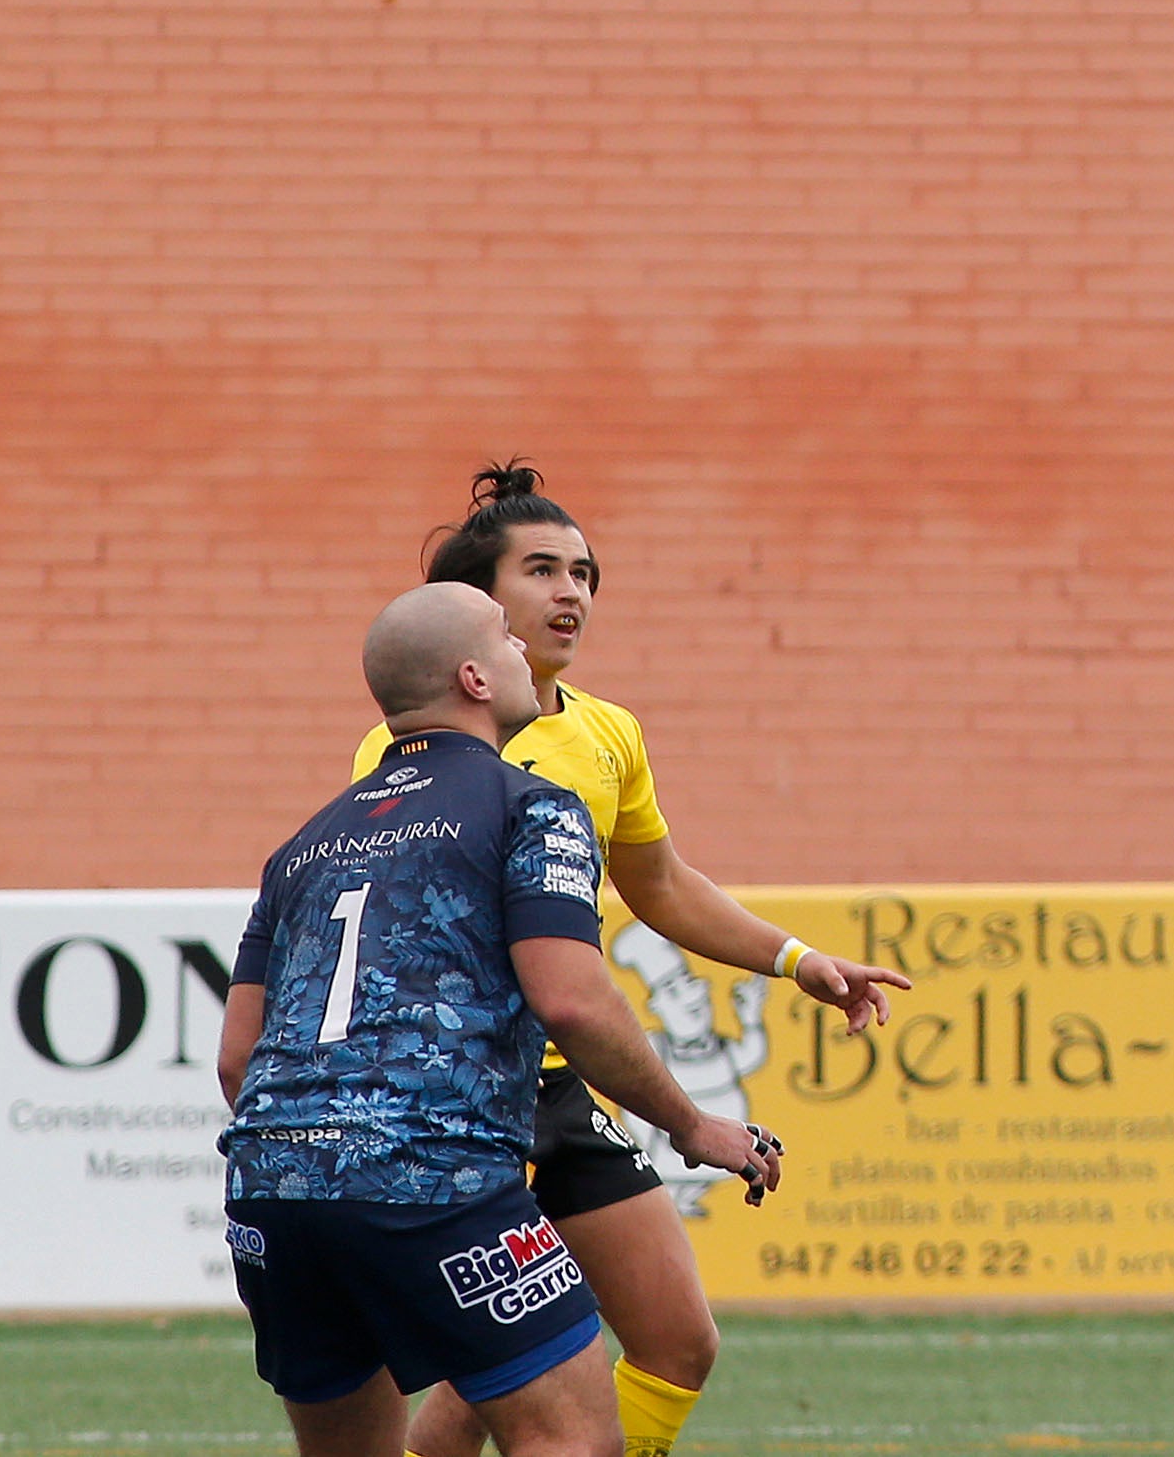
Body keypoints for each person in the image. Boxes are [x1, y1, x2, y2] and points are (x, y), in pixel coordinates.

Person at [348, 469, 906, 1457]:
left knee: (675, 1341)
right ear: (480, 604)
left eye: (586, 572)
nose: (573, 592)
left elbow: (660, 882)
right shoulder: (416, 746)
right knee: (513, 1366)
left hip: (563, 1092)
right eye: (544, 569)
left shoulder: (608, 733)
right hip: (470, 1098)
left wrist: (795, 958)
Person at [218, 586, 780, 1457]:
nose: (527, 649)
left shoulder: (302, 845)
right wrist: (692, 1124)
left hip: (271, 1188)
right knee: (573, 1436)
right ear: (476, 676)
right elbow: (570, 997)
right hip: (431, 1173)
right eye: (507, 639)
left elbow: (237, 1061)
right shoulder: (531, 805)